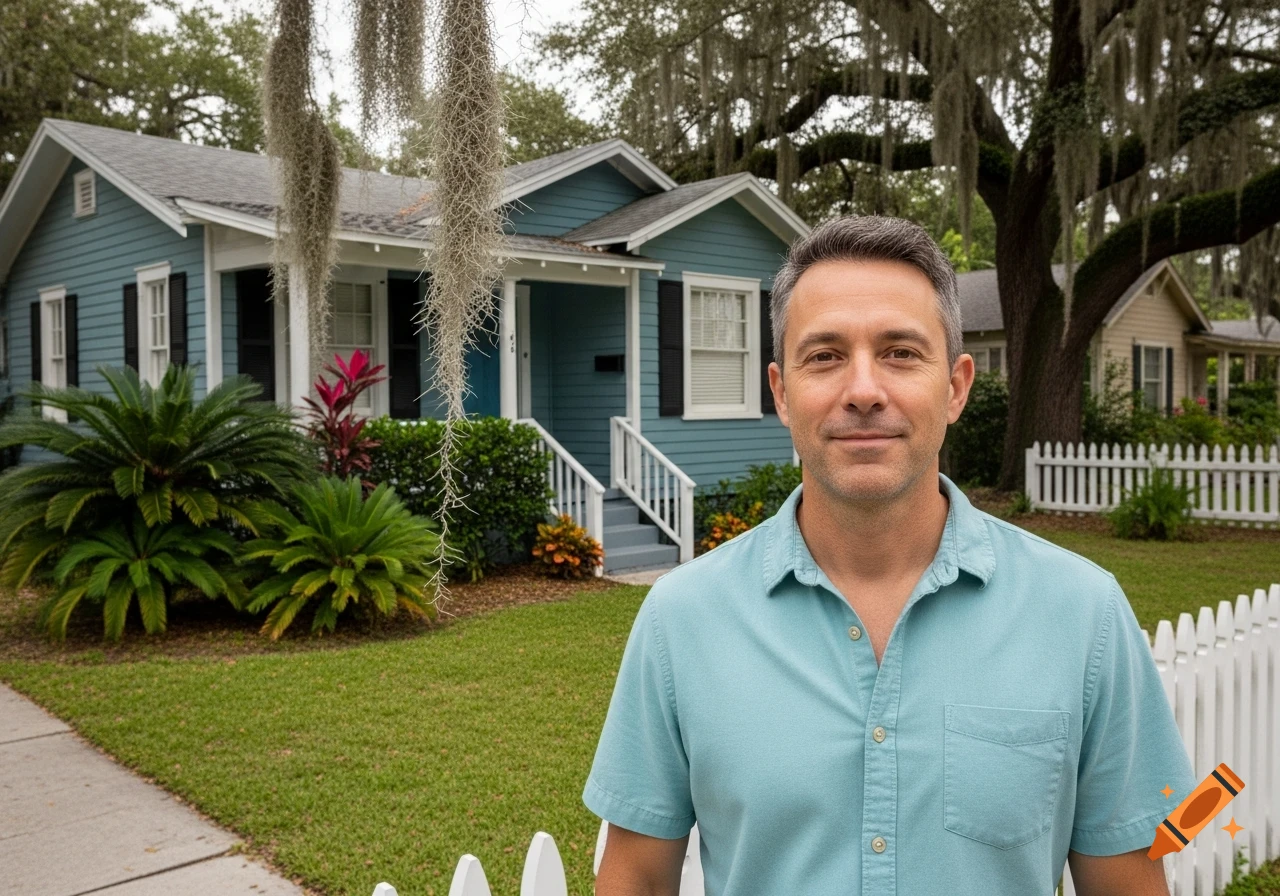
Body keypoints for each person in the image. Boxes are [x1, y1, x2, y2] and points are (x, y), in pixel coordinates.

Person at [582, 216, 1198, 895]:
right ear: (782, 392)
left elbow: (1127, 884)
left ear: (957, 386)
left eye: (901, 352)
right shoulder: (683, 620)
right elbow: (634, 879)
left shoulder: (1083, 616)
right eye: (824, 356)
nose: (865, 389)